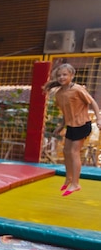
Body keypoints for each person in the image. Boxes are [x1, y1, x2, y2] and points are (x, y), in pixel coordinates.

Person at [44, 63, 101, 196]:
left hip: (82, 124)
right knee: (66, 151)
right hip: (71, 126)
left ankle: (76, 183)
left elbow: (92, 102)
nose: (61, 77)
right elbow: (66, 111)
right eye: (59, 75)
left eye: (65, 75)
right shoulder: (59, 94)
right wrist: (61, 125)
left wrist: (98, 119)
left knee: (74, 152)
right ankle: (69, 177)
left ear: (72, 75)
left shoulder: (77, 89)